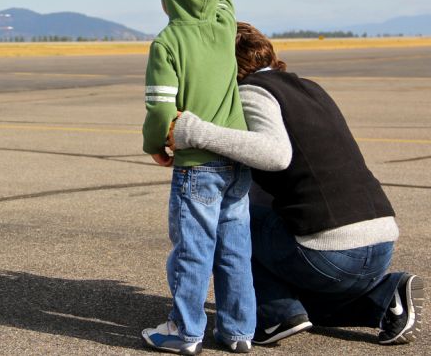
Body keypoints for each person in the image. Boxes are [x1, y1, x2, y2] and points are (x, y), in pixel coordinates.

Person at [169, 21, 424, 346]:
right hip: (380, 242)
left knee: (228, 222)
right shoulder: (309, 88)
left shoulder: (252, 93)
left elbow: (275, 155)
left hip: (331, 253)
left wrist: (193, 131)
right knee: (308, 309)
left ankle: (276, 314)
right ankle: (387, 297)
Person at [141, 0, 255, 354]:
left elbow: (160, 111)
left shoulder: (168, 42)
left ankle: (186, 332)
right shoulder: (225, 28)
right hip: (236, 160)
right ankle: (239, 331)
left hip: (198, 166)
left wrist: (156, 145)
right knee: (235, 249)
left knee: (193, 251)